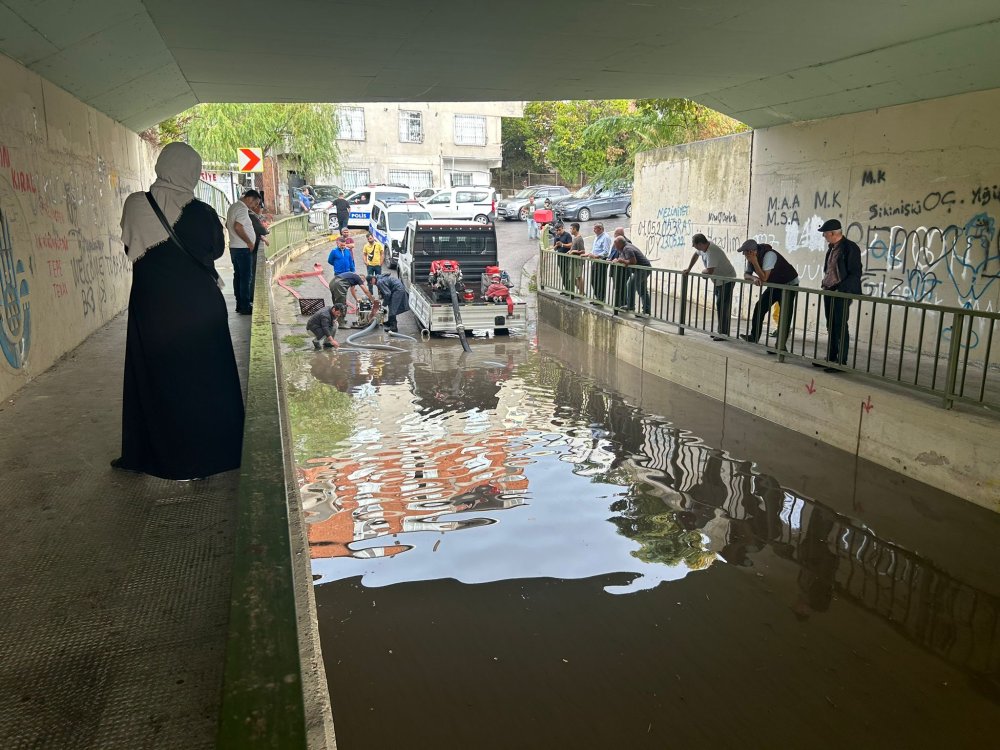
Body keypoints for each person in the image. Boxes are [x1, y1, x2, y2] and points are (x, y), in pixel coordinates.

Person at [114, 142, 244, 480]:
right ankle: (210, 454)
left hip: (153, 308)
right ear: (192, 172)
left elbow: (130, 246)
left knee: (158, 379)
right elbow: (216, 251)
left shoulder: (135, 204)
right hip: (200, 309)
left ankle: (158, 453)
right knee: (204, 381)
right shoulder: (201, 212)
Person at [817, 219, 863, 372]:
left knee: (840, 325)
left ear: (832, 233)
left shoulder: (850, 248)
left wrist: (841, 289)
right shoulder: (832, 248)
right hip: (829, 290)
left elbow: (855, 273)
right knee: (831, 325)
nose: (824, 236)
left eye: (825, 233)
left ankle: (840, 362)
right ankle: (830, 358)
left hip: (841, 292)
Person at [738, 239, 799, 350]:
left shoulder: (769, 255)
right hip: (775, 284)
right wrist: (753, 277)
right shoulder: (751, 258)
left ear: (753, 252)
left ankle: (780, 346)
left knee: (785, 314)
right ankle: (754, 336)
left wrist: (755, 262)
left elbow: (764, 278)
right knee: (760, 306)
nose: (744, 255)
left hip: (788, 284)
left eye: (746, 252)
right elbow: (746, 274)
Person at [684, 233, 737, 340]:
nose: (694, 247)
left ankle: (723, 334)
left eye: (695, 245)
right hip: (719, 281)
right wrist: (689, 268)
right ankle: (720, 331)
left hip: (726, 280)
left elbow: (710, 270)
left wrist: (703, 273)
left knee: (722, 306)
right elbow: (695, 255)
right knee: (720, 305)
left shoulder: (712, 252)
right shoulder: (704, 248)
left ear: (700, 244)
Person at [225, 189, 261, 314]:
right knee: (246, 278)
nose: (255, 207)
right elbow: (238, 226)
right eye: (255, 204)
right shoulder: (242, 209)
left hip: (235, 247)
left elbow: (227, 224)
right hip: (242, 249)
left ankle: (240, 304)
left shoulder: (233, 207)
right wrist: (249, 242)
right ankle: (245, 306)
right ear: (250, 199)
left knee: (238, 276)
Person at [613, 236, 652, 314]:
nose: (615, 247)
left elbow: (633, 261)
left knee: (632, 285)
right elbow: (622, 257)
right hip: (642, 269)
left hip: (643, 269)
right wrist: (618, 260)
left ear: (620, 244)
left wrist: (622, 261)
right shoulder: (624, 248)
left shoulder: (627, 248)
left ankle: (631, 306)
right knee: (642, 289)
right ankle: (646, 310)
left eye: (616, 245)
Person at [248, 206, 270, 307]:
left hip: (242, 249)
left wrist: (262, 238)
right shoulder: (252, 216)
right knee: (251, 275)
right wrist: (263, 234)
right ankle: (250, 297)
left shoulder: (245, 214)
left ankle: (245, 300)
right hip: (249, 250)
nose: (261, 211)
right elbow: (262, 230)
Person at [587, 223, 613, 303]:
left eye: (595, 228)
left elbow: (606, 252)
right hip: (596, 260)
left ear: (600, 229)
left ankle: (600, 299)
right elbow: (595, 249)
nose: (594, 230)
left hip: (601, 260)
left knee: (600, 280)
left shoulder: (605, 237)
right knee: (593, 280)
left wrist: (596, 256)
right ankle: (597, 297)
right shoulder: (597, 237)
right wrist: (590, 254)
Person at [551, 221, 575, 293]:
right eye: (557, 230)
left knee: (567, 273)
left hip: (566, 256)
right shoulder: (556, 236)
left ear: (563, 228)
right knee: (562, 273)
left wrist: (562, 245)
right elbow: (554, 247)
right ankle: (566, 289)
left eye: (559, 230)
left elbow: (571, 245)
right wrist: (556, 246)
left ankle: (569, 290)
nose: (558, 231)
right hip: (560, 257)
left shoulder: (567, 235)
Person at [568, 222, 587, 295]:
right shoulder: (574, 238)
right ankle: (581, 291)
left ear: (575, 229)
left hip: (578, 261)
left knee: (579, 276)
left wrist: (573, 251)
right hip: (573, 261)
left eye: (571, 229)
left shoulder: (579, 239)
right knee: (572, 277)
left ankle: (581, 292)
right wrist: (570, 251)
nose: (570, 230)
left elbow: (582, 251)